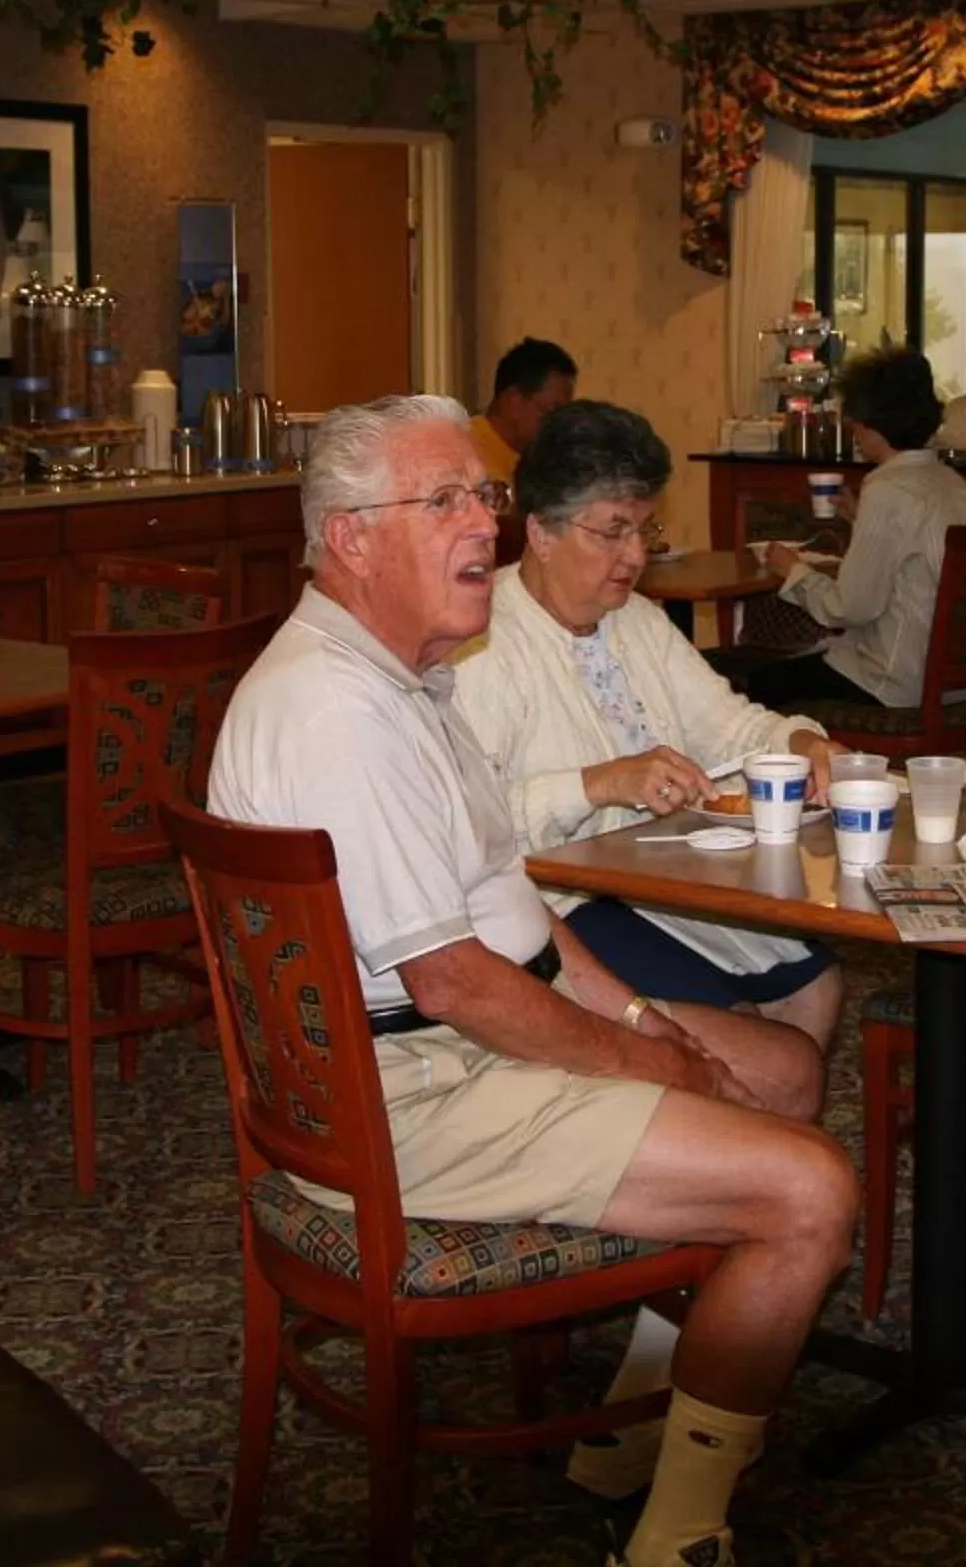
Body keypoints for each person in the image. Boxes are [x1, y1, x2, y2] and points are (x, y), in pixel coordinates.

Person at [209, 394, 856, 1567]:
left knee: (780, 1064)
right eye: (445, 499)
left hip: (431, 1049)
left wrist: (651, 1017)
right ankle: (678, 1538)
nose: (485, 525)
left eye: (484, 495)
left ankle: (645, 1424)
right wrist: (646, 1057)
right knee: (810, 1187)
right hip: (398, 1097)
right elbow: (456, 980)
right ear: (350, 537)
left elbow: (530, 930)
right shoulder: (335, 710)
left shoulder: (415, 681)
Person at [457, 400, 845, 1121]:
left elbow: (727, 726)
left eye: (643, 529)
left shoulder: (634, 621)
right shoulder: (484, 645)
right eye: (612, 532)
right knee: (760, 1048)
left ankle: (754, 1168)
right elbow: (465, 829)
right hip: (558, 903)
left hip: (660, 877)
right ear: (540, 533)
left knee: (815, 987)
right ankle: (733, 1165)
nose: (635, 555)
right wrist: (597, 784)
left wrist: (801, 743)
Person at [736, 346, 966, 712]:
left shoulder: (887, 488)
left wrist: (794, 572)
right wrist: (860, 518)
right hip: (960, 682)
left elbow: (849, 608)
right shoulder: (951, 482)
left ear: (868, 422)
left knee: (761, 684)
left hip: (897, 684)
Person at [470, 336, 576, 484]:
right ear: (513, 400)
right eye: (552, 412)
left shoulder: (540, 462)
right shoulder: (465, 450)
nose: (558, 425)